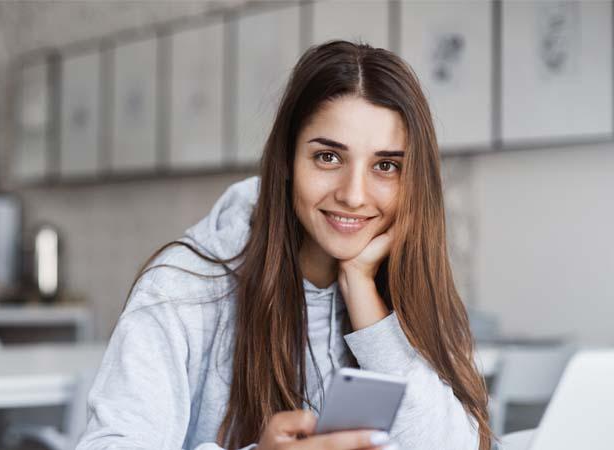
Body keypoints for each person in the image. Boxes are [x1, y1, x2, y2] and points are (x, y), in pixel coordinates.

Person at [76, 40, 492, 450]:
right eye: (328, 157)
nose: (353, 195)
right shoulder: (183, 287)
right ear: (287, 161)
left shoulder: (410, 290)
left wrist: (366, 301)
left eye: (386, 166)